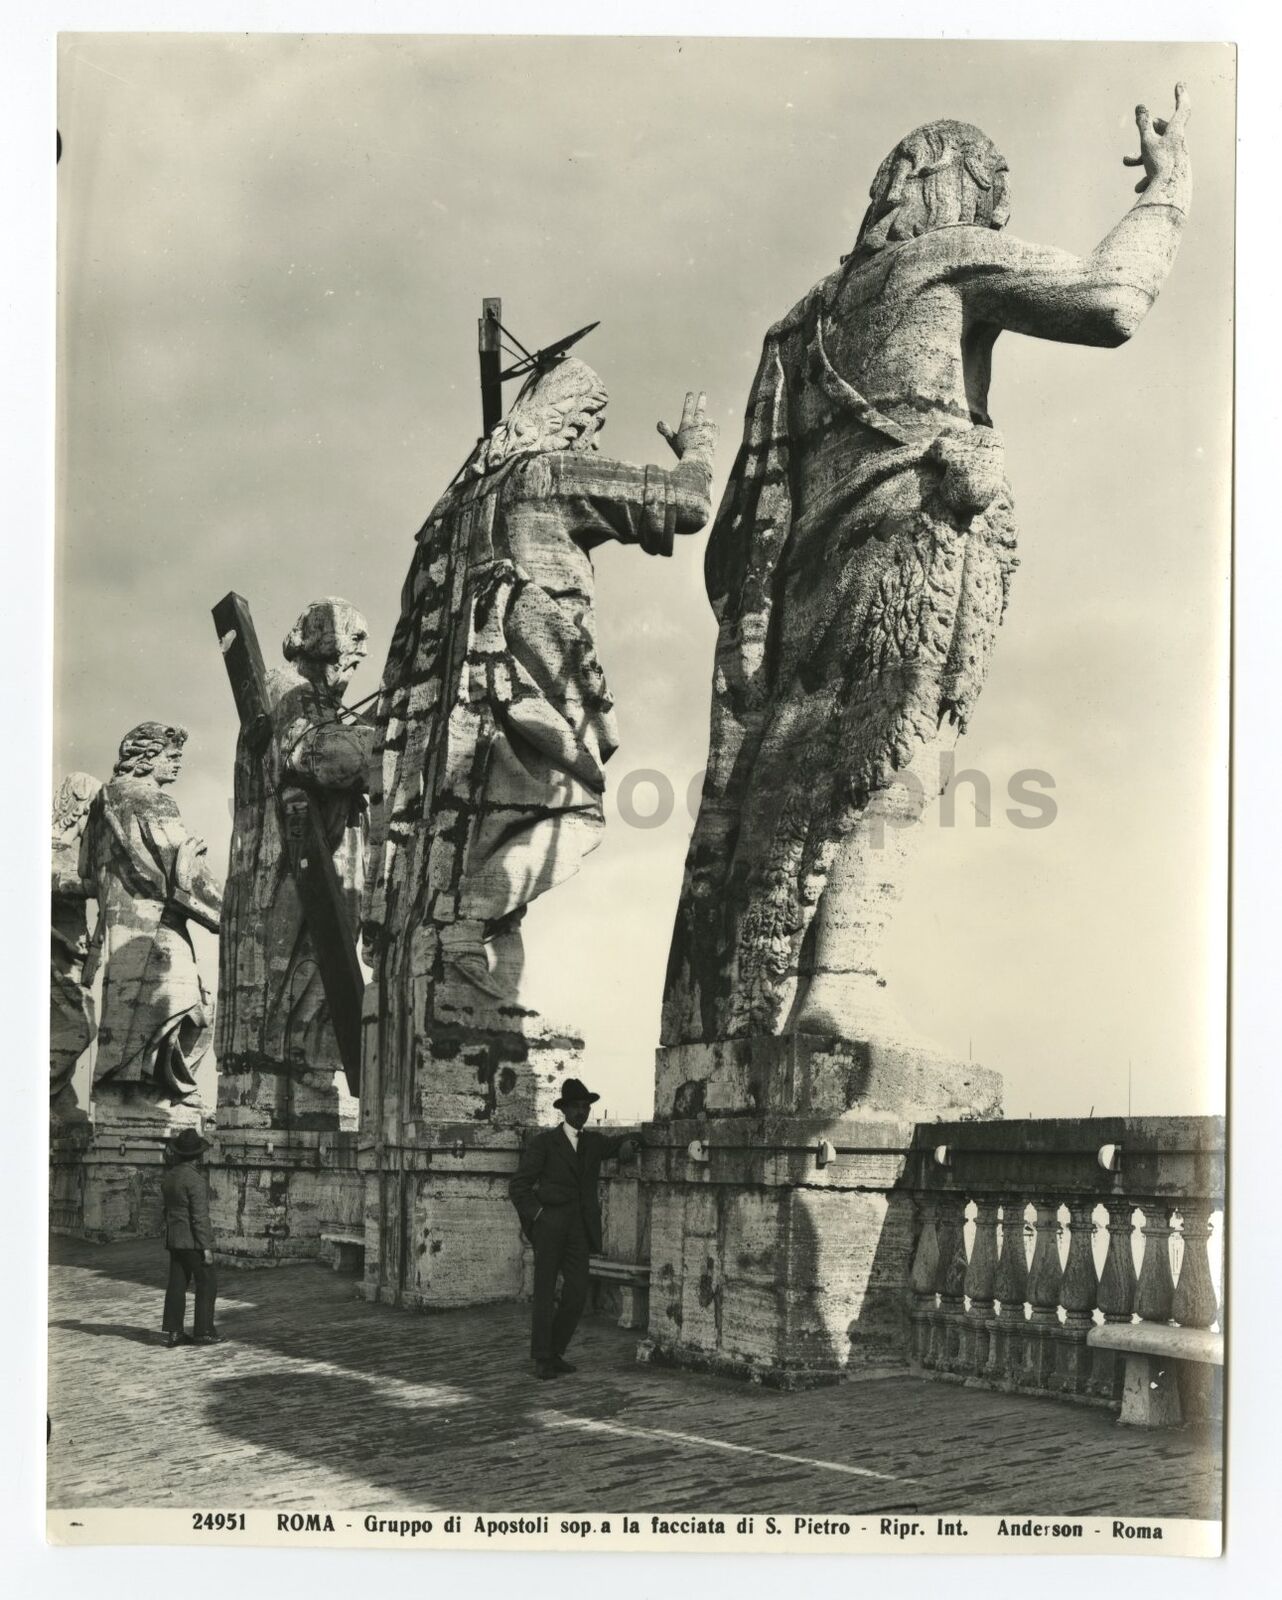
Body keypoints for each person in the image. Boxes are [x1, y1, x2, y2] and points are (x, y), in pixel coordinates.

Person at [508, 1078, 641, 1379]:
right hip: (550, 1226)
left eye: (586, 1107)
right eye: (577, 1107)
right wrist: (539, 1216)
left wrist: (631, 1144)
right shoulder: (544, 1143)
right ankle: (543, 1358)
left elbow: (627, 1139)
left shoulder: (593, 1143)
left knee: (577, 1292)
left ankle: (555, 1351)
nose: (582, 1112)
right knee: (544, 1293)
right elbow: (519, 1186)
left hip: (579, 1230)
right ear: (564, 1109)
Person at [159, 1128, 220, 1348]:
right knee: (207, 1282)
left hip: (175, 1239)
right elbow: (199, 1217)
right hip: (193, 1240)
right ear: (198, 1155)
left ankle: (174, 1332)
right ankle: (203, 1331)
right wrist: (206, 1247)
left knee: (176, 1284)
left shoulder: (170, 1177)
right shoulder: (195, 1180)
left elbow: (167, 1211)